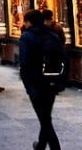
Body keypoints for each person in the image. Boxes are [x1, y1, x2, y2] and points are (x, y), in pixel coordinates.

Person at [20, 9, 61, 150]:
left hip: (36, 83)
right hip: (52, 81)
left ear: (29, 22)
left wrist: (27, 85)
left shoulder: (26, 37)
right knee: (45, 116)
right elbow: (63, 57)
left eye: (25, 21)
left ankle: (55, 148)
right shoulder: (52, 35)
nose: (24, 24)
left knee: (44, 119)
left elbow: (24, 63)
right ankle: (41, 145)